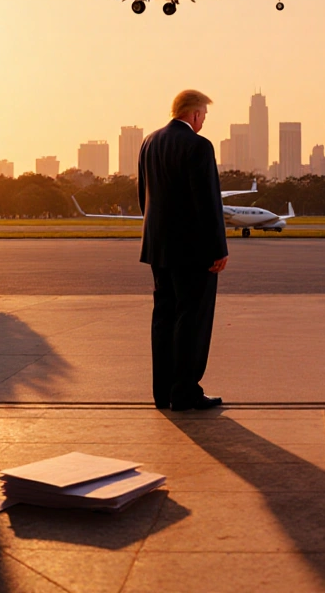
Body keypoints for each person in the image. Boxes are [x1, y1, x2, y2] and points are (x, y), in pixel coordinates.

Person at [139, 89, 229, 411]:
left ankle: (163, 392)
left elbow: (143, 197)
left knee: (163, 317)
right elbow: (208, 202)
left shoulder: (149, 142)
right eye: (204, 114)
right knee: (192, 320)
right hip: (193, 252)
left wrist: (157, 236)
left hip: (158, 248)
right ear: (193, 114)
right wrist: (218, 248)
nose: (204, 120)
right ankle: (186, 391)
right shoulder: (198, 146)